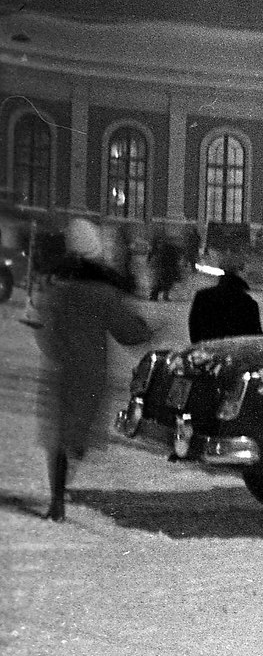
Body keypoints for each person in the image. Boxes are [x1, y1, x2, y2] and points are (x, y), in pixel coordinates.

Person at [33, 218, 153, 521]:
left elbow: (44, 331)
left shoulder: (57, 288)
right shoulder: (103, 292)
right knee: (77, 438)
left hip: (61, 371)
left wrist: (58, 350)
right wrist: (148, 331)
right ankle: (62, 490)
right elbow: (128, 332)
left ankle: (57, 498)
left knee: (60, 437)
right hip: (90, 373)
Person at [188, 251, 263, 343]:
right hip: (233, 355)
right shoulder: (247, 303)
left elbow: (194, 331)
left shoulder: (202, 296)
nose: (247, 274)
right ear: (239, 271)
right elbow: (255, 340)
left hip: (207, 353)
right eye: (245, 270)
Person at [148, 234, 185, 302]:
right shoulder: (170, 249)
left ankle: (154, 296)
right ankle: (162, 296)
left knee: (160, 283)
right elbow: (175, 259)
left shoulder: (162, 250)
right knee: (166, 283)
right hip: (167, 269)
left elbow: (155, 259)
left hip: (163, 269)